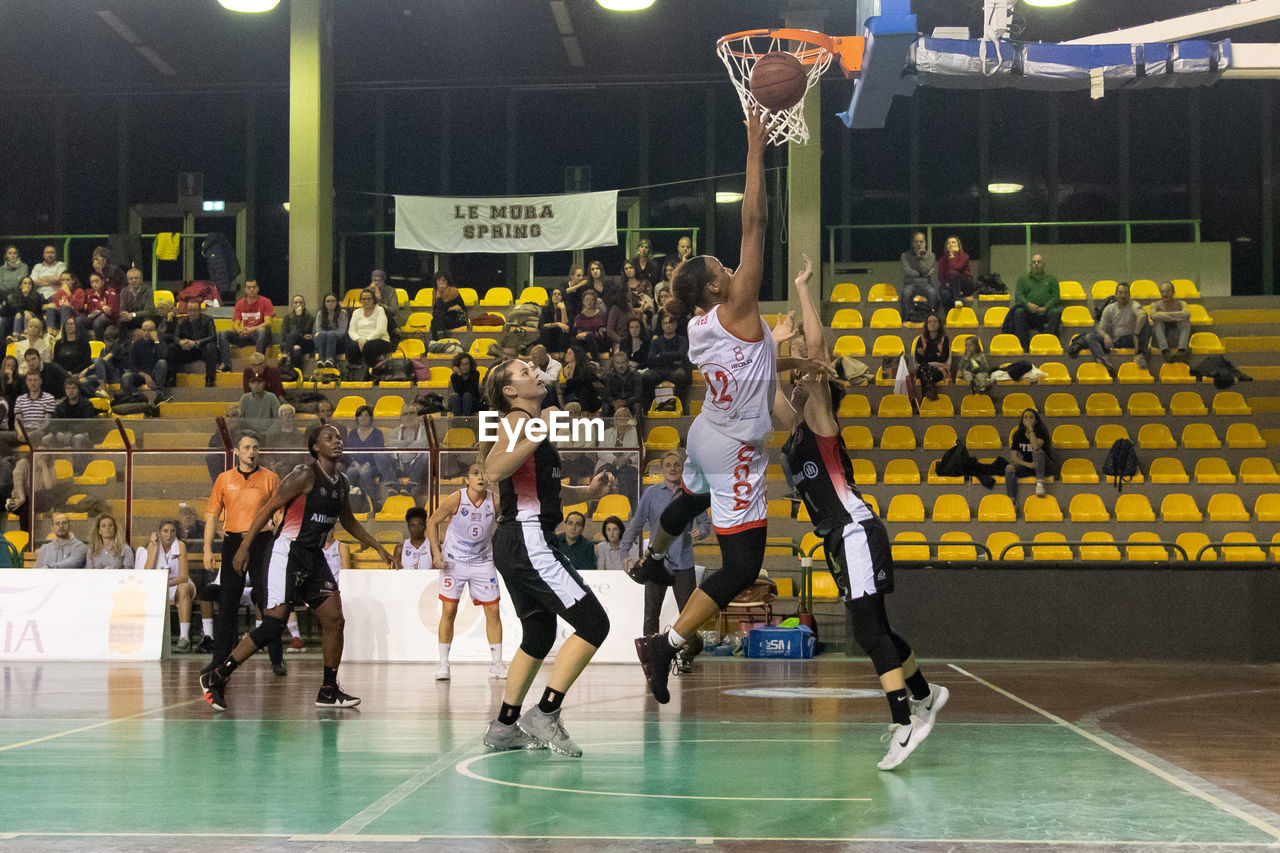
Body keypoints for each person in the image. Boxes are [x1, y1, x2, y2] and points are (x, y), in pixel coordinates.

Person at [632, 112, 812, 704]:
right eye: (721, 269)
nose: (730, 269)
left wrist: (790, 365)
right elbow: (755, 222)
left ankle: (656, 556)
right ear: (715, 288)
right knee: (740, 566)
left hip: (708, 430)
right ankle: (666, 641)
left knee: (693, 500)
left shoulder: (703, 326)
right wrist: (756, 148)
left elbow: (752, 365)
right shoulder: (737, 306)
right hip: (732, 443)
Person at [777, 257, 947, 770]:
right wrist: (780, 346)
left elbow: (815, 346)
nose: (807, 362)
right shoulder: (792, 421)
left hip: (853, 527)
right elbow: (774, 386)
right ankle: (923, 692)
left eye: (811, 364)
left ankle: (903, 723)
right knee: (877, 626)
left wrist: (804, 293)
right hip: (837, 535)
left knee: (866, 632)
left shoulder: (822, 418)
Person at [199, 424, 394, 711]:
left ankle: (328, 689)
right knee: (274, 625)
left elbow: (348, 520)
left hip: (313, 556)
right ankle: (216, 676)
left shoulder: (340, 483)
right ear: (316, 447)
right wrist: (243, 547)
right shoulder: (304, 474)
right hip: (287, 553)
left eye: (339, 437)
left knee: (335, 620)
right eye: (329, 438)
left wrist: (375, 544)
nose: (337, 441)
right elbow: (266, 509)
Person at [477, 358, 614, 756]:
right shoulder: (518, 422)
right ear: (510, 391)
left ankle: (504, 726)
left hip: (518, 541)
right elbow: (492, 469)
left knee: (539, 635)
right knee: (593, 623)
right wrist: (540, 428)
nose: (535, 371)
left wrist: (587, 494)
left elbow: (544, 489)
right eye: (523, 371)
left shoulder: (529, 427)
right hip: (527, 538)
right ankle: (545, 713)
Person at [203, 432, 286, 676]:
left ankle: (277, 659)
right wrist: (208, 548)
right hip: (232, 542)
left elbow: (280, 512)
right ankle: (219, 659)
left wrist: (277, 529)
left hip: (261, 542)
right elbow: (211, 515)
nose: (251, 452)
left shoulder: (271, 478)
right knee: (228, 603)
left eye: (255, 448)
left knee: (267, 601)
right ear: (236, 451)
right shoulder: (223, 479)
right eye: (247, 447)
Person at [621, 451, 710, 669]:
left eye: (677, 464)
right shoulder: (651, 494)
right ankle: (651, 659)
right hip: (656, 563)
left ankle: (685, 657)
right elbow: (636, 523)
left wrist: (702, 531)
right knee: (651, 614)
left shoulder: (691, 494)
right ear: (661, 469)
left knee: (688, 615)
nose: (673, 468)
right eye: (668, 464)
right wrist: (624, 552)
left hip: (683, 563)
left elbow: (706, 525)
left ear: (682, 469)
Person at [426, 464, 506, 680]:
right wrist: (436, 552)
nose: (480, 477)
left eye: (483, 474)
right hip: (454, 562)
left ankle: (497, 664)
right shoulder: (456, 499)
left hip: (483, 561)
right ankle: (443, 664)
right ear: (466, 480)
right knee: (449, 610)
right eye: (475, 473)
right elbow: (432, 521)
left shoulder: (495, 500)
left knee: (493, 611)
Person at [136, 519, 196, 651]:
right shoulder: (152, 546)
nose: (169, 534)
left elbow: (183, 577)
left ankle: (184, 638)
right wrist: (156, 547)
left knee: (184, 588)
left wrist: (165, 582)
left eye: (172, 531)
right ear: (159, 533)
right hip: (158, 585)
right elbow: (148, 573)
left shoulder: (180, 546)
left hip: (176, 583)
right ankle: (150, 639)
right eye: (165, 531)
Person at [1072, 281, 1151, 375]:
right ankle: (1106, 363)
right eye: (1120, 293)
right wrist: (1105, 336)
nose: (1123, 295)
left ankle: (1140, 354)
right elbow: (1100, 328)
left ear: (1129, 295)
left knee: (1145, 317)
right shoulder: (1109, 309)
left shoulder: (1134, 305)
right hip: (1116, 340)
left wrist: (1136, 332)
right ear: (1116, 295)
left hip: (1131, 339)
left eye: (1126, 293)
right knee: (1090, 337)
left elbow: (1141, 315)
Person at [345, 405, 395, 512]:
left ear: (371, 418)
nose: (363, 418)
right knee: (350, 472)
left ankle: (373, 503)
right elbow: (349, 452)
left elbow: (378, 452)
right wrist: (355, 463)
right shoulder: (353, 433)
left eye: (366, 415)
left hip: (373, 465)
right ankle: (349, 505)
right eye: (361, 415)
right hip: (356, 464)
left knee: (365, 473)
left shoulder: (377, 433)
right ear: (357, 418)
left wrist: (367, 464)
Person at [1010, 254, 1062, 352]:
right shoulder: (1022, 280)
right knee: (1018, 312)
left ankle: (1048, 344)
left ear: (1044, 264)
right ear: (1030, 265)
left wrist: (1045, 308)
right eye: (1034, 262)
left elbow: (1056, 297)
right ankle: (1023, 347)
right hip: (1029, 315)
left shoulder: (1052, 279)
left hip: (1046, 313)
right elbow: (1019, 296)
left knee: (1056, 312)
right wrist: (1028, 304)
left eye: (1039, 262)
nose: (1036, 264)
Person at [218, 279, 274, 371]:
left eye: (254, 287)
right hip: (246, 336)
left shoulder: (266, 302)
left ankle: (258, 362)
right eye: (249, 287)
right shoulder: (240, 304)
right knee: (222, 334)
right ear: (245, 290)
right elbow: (235, 324)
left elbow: (268, 323)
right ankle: (226, 364)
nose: (251, 289)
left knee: (262, 330)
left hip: (261, 336)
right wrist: (240, 330)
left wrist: (252, 329)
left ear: (258, 289)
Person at [1005, 408, 1056, 502]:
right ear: (1022, 421)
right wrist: (1028, 465)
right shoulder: (1018, 435)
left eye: (1031, 417)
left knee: (1037, 451)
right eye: (1025, 417)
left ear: (1036, 421)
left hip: (1045, 467)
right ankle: (1011, 500)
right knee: (1009, 468)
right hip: (1030, 466)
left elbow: (1035, 446)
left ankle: (1040, 484)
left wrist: (1031, 430)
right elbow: (1013, 456)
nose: (1028, 420)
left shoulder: (1041, 432)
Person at [346, 288, 394, 380]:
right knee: (351, 346)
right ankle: (354, 373)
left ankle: (372, 372)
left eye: (369, 299)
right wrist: (359, 340)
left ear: (373, 300)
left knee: (369, 346)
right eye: (364, 299)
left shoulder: (379, 310)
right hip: (361, 341)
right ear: (360, 300)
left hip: (381, 340)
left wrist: (366, 340)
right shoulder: (356, 312)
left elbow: (380, 331)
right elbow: (351, 331)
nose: (366, 301)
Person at [171, 299, 219, 387]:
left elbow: (213, 337)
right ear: (187, 311)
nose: (192, 313)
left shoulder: (208, 319)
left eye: (195, 310)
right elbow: (175, 337)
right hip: (187, 351)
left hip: (202, 350)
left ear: (200, 311)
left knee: (211, 346)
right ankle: (171, 379)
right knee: (172, 347)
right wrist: (180, 342)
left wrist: (196, 343)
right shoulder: (181, 321)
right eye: (190, 310)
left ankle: (210, 379)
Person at [121, 319, 169, 404]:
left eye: (149, 330)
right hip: (140, 375)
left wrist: (156, 341)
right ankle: (129, 399)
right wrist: (146, 376)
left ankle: (159, 396)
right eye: (144, 330)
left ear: (154, 331)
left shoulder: (160, 342)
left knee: (162, 363)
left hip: (155, 374)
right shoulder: (135, 345)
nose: (146, 333)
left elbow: (163, 357)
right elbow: (132, 366)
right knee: (126, 376)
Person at [1148, 280, 1192, 363]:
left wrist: (1162, 315)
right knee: (1158, 322)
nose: (1164, 294)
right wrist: (1177, 316)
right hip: (1160, 341)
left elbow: (1187, 314)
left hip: (1176, 337)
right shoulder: (1155, 304)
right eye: (1162, 291)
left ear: (1173, 292)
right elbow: (1153, 316)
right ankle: (1165, 351)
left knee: (1185, 321)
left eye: (1167, 291)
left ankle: (1182, 350)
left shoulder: (1181, 303)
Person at [899, 230, 939, 321]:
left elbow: (925, 269)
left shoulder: (931, 255)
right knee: (906, 293)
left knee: (933, 293)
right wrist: (923, 274)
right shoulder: (905, 255)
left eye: (921, 241)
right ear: (912, 243)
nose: (919, 244)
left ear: (924, 242)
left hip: (926, 284)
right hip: (910, 284)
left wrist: (919, 258)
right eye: (916, 242)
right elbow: (907, 271)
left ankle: (929, 317)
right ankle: (907, 318)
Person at [50, 377, 99, 448]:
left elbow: (87, 425)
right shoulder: (61, 406)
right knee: (47, 439)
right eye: (68, 388)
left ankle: (80, 459)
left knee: (77, 438)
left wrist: (72, 432)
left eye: (74, 388)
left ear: (78, 390)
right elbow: (53, 423)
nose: (71, 391)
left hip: (82, 433)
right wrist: (57, 432)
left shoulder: (87, 405)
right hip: (64, 433)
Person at [912, 314, 951, 400]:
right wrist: (936, 355)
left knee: (925, 371)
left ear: (939, 324)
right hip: (923, 368)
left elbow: (943, 358)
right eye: (930, 322)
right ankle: (930, 390)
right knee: (924, 368)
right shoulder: (920, 339)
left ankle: (925, 396)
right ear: (926, 325)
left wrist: (925, 354)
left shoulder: (945, 339)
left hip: (939, 370)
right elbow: (918, 359)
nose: (932, 324)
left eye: (935, 321)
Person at [601, 347, 643, 418]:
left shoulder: (636, 375)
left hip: (630, 403)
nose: (621, 366)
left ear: (627, 362)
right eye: (618, 363)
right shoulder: (609, 376)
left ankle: (638, 428)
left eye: (623, 362)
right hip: (615, 403)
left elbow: (638, 396)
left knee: (637, 406)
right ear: (614, 364)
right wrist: (614, 403)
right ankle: (607, 428)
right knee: (605, 407)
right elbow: (606, 395)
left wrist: (625, 402)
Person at [559, 344, 601, 414]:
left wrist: (569, 379)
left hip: (588, 399)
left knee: (584, 390)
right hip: (569, 398)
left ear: (577, 355)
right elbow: (566, 389)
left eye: (570, 353)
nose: (566, 355)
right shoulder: (563, 369)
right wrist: (567, 378)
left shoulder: (586, 369)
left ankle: (585, 416)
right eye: (566, 353)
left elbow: (585, 384)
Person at [280, 294, 315, 375]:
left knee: (294, 334)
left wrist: (299, 318)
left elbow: (312, 335)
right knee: (296, 350)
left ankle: (284, 356)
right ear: (292, 305)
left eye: (300, 302)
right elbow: (283, 336)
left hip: (305, 344)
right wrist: (294, 344)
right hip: (290, 344)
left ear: (304, 304)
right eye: (295, 303)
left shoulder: (310, 318)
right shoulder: (287, 318)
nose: (298, 305)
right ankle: (294, 374)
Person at [78, 271, 119, 340]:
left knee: (98, 321)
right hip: (93, 317)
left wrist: (106, 310)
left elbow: (112, 311)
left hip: (109, 319)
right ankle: (86, 344)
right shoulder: (89, 293)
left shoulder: (110, 291)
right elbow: (91, 310)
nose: (94, 284)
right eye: (92, 282)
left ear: (103, 281)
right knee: (78, 320)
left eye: (97, 281)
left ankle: (100, 345)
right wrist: (101, 307)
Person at [553, 511, 596, 575]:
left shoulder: (588, 546)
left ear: (582, 528)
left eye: (578, 524)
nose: (573, 528)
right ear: (565, 525)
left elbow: (588, 572)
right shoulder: (554, 541)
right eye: (570, 523)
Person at [313, 292, 348, 369]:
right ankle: (321, 360)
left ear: (337, 302)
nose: (330, 303)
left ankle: (330, 359)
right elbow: (318, 329)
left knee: (329, 334)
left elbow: (342, 331)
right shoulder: (320, 313)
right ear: (324, 303)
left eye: (333, 301)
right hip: (323, 340)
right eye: (328, 301)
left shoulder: (342, 313)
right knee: (322, 334)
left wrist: (329, 334)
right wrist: (325, 334)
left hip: (339, 341)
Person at [571, 288, 609, 357]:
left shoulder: (601, 315)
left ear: (595, 301)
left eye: (592, 300)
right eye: (587, 299)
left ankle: (596, 362)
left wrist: (587, 334)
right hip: (584, 344)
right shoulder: (579, 317)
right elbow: (577, 333)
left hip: (599, 343)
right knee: (574, 341)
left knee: (589, 336)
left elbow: (603, 334)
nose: (589, 302)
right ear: (583, 302)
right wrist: (580, 335)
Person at [936, 236, 973, 307]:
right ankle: (949, 316)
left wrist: (953, 255)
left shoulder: (964, 256)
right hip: (950, 285)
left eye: (953, 242)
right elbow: (941, 275)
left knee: (953, 273)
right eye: (948, 243)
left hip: (965, 285)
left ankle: (957, 299)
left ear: (958, 245)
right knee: (944, 293)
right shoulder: (943, 259)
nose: (951, 244)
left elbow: (957, 268)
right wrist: (946, 284)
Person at [430, 271, 468, 338]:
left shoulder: (453, 291)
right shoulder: (435, 292)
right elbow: (435, 310)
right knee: (434, 321)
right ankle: (439, 341)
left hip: (457, 318)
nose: (441, 282)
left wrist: (439, 297)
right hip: (444, 318)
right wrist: (439, 294)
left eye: (444, 280)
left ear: (448, 282)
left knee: (437, 318)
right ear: (436, 282)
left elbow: (441, 308)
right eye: (439, 280)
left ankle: (437, 341)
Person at [117, 267, 155, 333]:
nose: (134, 280)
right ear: (128, 280)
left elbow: (149, 311)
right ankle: (123, 342)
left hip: (143, 318)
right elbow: (122, 309)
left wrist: (133, 315)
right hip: (130, 319)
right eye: (131, 278)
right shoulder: (124, 291)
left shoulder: (148, 291)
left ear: (141, 279)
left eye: (136, 278)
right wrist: (124, 314)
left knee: (147, 321)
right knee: (121, 321)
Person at [538, 288, 572, 356]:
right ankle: (547, 354)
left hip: (561, 338)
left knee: (564, 330)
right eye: (554, 294)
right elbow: (541, 325)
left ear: (562, 298)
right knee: (544, 330)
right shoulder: (546, 309)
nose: (556, 296)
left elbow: (566, 326)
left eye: (559, 294)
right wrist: (557, 324)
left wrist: (563, 309)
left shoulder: (568, 309)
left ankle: (562, 353)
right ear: (551, 297)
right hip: (549, 337)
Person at [449, 352, 481, 416]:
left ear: (470, 365)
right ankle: (457, 421)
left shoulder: (475, 374)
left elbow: (471, 390)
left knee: (467, 395)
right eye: (462, 364)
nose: (464, 367)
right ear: (458, 366)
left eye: (467, 364)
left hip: (473, 402)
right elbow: (458, 392)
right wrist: (459, 375)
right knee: (455, 397)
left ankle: (466, 419)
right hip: (459, 402)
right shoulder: (454, 376)